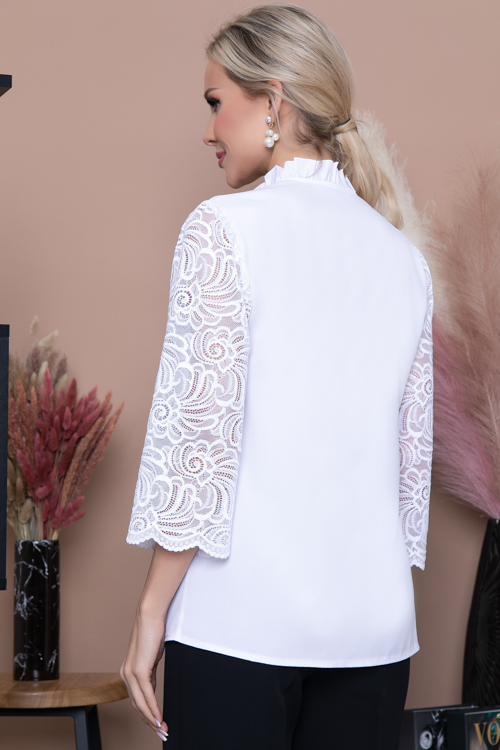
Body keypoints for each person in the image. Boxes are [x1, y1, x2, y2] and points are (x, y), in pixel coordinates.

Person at [120, 5, 433, 749]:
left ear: (274, 100)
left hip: (239, 626)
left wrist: (150, 614)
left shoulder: (222, 230)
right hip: (375, 636)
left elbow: (202, 445)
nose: (208, 130)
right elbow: (406, 473)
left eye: (216, 102)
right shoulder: (405, 260)